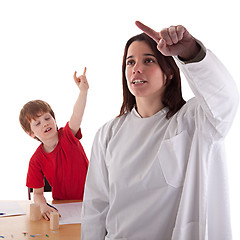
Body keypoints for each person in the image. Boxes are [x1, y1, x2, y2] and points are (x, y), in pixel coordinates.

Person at [81, 21, 239, 240]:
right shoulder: (108, 134)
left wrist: (189, 50)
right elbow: (95, 208)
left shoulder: (193, 121)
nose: (136, 68)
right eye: (130, 62)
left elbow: (225, 99)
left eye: (148, 60)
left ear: (170, 72)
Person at [19, 68, 89, 220]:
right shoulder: (36, 160)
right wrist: (43, 206)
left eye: (47, 118)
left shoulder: (68, 135)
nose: (44, 124)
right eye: (37, 123)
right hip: (64, 206)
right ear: (31, 134)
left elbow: (77, 114)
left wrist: (83, 91)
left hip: (92, 199)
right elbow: (37, 194)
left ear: (54, 119)